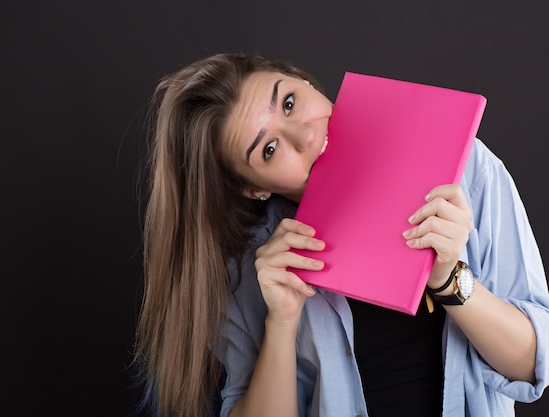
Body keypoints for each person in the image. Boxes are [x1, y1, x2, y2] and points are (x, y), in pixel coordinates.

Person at [134, 53, 549, 417]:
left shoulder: (465, 166)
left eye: (290, 103)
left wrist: (448, 278)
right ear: (253, 189)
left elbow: (532, 363)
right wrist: (282, 319)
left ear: (305, 80)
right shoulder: (251, 265)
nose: (307, 137)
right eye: (269, 149)